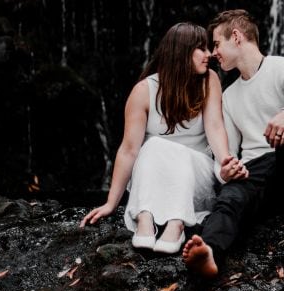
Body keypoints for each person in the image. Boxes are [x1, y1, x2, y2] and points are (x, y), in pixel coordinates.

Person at [183, 9, 284, 277]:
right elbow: (229, 154)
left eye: (217, 44)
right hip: (257, 178)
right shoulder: (229, 96)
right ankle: (209, 252)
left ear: (236, 36)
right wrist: (226, 171)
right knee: (229, 195)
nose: (214, 53)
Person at [80, 22, 246, 254]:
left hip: (195, 176)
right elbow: (129, 150)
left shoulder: (209, 80)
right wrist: (111, 203)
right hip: (153, 177)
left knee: (166, 148)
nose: (209, 54)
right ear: (181, 52)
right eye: (201, 48)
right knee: (153, 146)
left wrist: (226, 162)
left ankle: (176, 224)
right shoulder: (143, 91)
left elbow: (216, 127)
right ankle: (145, 218)